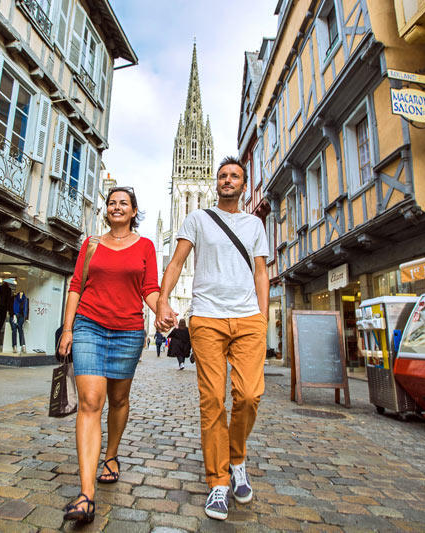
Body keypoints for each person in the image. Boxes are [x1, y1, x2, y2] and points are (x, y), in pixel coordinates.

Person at [156, 156, 269, 521]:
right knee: (212, 401)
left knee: (249, 395)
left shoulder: (254, 224)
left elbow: (262, 273)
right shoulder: (197, 218)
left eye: (235, 175)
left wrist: (263, 318)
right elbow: (175, 262)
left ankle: (236, 457)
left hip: (248, 317)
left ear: (243, 183)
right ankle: (218, 480)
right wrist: (163, 299)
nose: (228, 180)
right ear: (214, 180)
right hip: (207, 317)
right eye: (223, 175)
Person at [57, 186, 160, 524]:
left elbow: (149, 289)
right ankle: (86, 494)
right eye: (112, 203)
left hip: (128, 331)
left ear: (133, 211)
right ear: (107, 210)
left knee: (118, 400)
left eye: (124, 203)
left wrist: (164, 309)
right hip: (89, 327)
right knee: (90, 401)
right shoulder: (91, 244)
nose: (117, 207)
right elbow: (75, 286)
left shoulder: (145, 246)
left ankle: (111, 456)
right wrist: (68, 329)